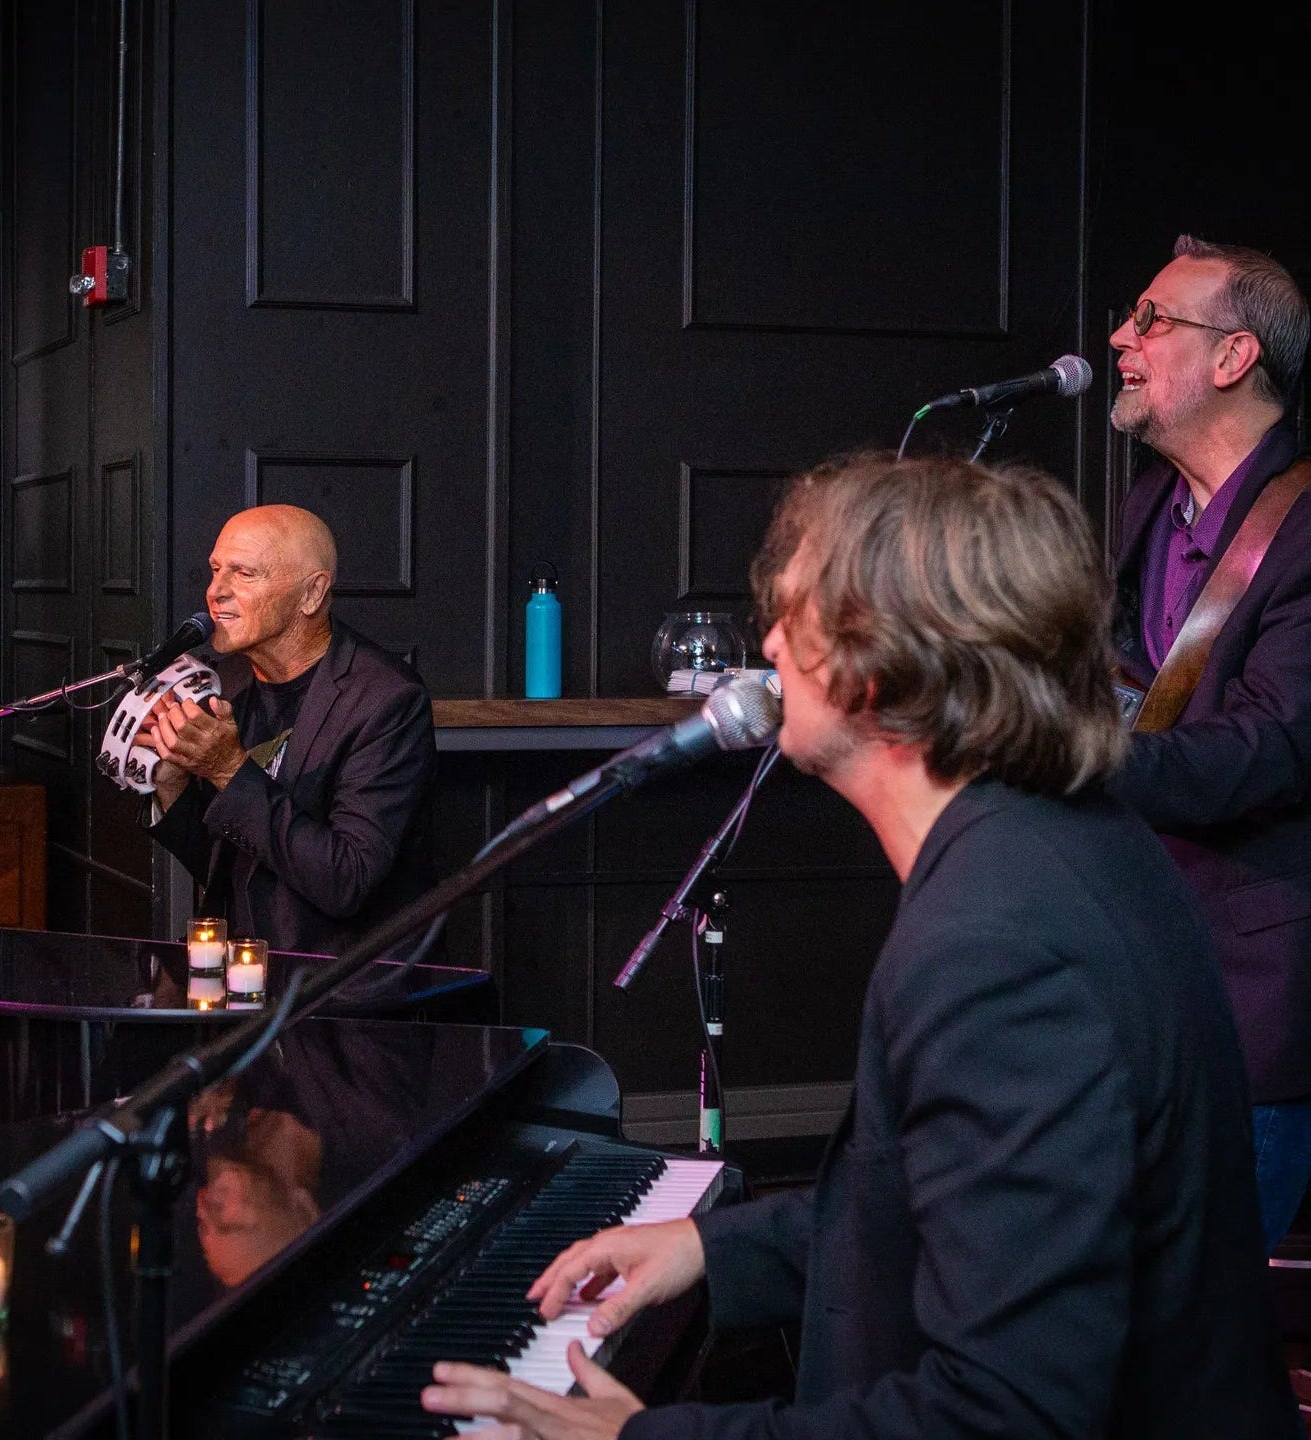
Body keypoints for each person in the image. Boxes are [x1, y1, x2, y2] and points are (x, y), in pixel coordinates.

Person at [420, 454, 1296, 1439]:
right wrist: (717, 1249)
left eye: (792, 619)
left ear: (875, 669)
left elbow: (1004, 1417)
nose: (769, 650)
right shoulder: (1058, 841)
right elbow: (958, 1216)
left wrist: (640, 1438)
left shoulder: (1002, 942)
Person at [1107, 235, 1311, 1252]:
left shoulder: (1308, 526)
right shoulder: (1150, 506)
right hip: (1131, 993)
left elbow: (1272, 744)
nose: (1119, 338)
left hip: (1250, 1016)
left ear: (1232, 359)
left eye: (1151, 320)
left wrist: (1073, 756)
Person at [141, 503, 438, 975]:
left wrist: (226, 770)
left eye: (244, 573)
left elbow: (346, 880)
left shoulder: (386, 701)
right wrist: (172, 776)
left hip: (335, 995)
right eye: (216, 570)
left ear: (312, 593)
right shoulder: (228, 680)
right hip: (241, 981)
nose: (216, 592)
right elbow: (226, 863)